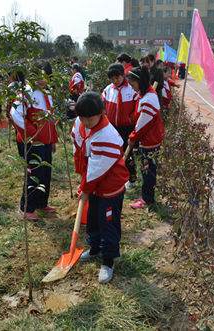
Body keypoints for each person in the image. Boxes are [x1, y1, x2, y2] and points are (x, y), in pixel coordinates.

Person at [71, 92, 129, 284]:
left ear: (102, 113)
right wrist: (86, 186)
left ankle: (108, 260)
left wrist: (85, 188)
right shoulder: (83, 126)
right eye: (82, 118)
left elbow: (97, 169)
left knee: (108, 224)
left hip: (110, 189)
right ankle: (95, 248)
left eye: (90, 118)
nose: (85, 122)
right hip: (95, 187)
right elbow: (80, 146)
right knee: (94, 220)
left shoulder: (108, 136)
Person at [10, 70, 57, 221]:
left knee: (45, 172)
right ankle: (27, 208)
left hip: (45, 141)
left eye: (44, 77)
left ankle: (41, 202)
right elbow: (15, 114)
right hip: (32, 141)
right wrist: (32, 133)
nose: (42, 80)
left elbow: (50, 119)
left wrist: (52, 140)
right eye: (38, 77)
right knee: (34, 173)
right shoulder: (26, 94)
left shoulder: (47, 93)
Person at [126, 67, 165, 210]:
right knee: (146, 169)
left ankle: (147, 199)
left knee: (148, 171)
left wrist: (133, 137)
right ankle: (146, 196)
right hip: (148, 139)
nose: (132, 87)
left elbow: (143, 124)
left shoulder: (149, 99)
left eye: (133, 84)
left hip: (150, 140)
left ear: (140, 81)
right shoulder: (145, 94)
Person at [102, 64, 138, 189]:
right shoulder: (108, 90)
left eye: (117, 77)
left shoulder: (132, 89)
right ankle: (115, 176)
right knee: (112, 152)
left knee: (128, 154)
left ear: (123, 75)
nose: (115, 81)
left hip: (127, 128)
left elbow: (137, 108)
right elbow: (102, 105)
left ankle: (132, 179)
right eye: (112, 79)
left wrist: (131, 119)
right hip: (111, 128)